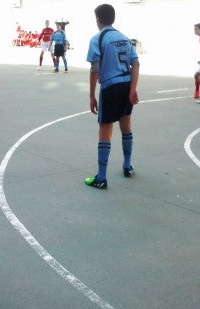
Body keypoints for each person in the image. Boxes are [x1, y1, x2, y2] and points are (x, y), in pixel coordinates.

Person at [84, 4, 139, 190]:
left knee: (105, 127)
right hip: (126, 84)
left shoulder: (98, 39)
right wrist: (133, 88)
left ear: (98, 19)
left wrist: (92, 95)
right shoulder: (124, 38)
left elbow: (94, 70)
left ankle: (101, 177)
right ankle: (127, 165)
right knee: (125, 123)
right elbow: (136, 63)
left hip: (111, 86)